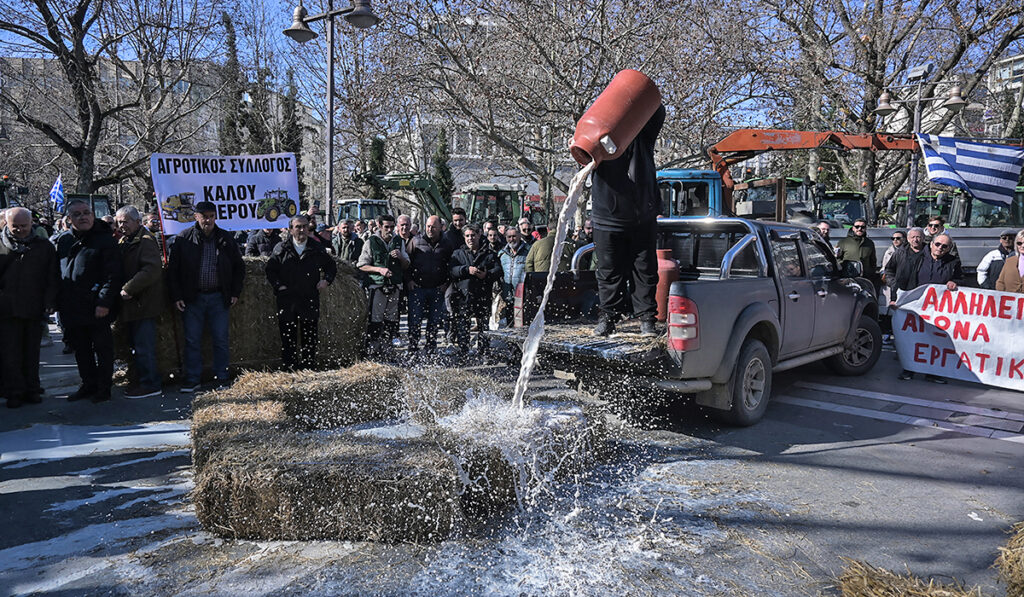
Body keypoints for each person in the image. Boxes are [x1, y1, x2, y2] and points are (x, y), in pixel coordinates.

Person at [590, 103, 666, 337]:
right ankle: (609, 318)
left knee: (644, 269)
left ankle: (646, 320)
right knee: (608, 271)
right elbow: (582, 147)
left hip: (640, 215)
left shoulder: (642, 135)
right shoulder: (599, 138)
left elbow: (657, 110)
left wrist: (632, 98)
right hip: (608, 217)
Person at [166, 201, 245, 392]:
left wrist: (235, 292)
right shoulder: (184, 238)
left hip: (219, 297)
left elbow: (239, 267)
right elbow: (173, 271)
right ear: (196, 217)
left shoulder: (225, 238)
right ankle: (193, 378)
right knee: (192, 339)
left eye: (211, 216)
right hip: (193, 298)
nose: (208, 220)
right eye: (204, 216)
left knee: (220, 339)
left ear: (215, 217)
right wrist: (177, 295)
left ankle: (221, 377)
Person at [57, 199, 121, 403]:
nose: (83, 217)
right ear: (69, 219)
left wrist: (104, 302)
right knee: (81, 350)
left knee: (102, 349)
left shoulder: (105, 240)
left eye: (87, 212)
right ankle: (88, 384)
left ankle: (104, 388)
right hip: (72, 306)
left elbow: (113, 275)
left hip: (97, 307)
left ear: (93, 216)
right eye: (77, 214)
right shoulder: (64, 240)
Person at [0, 207, 58, 408]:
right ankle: (14, 391)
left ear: (32, 223)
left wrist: (50, 302)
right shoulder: (0, 245)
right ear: (6, 224)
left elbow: (52, 276)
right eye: (15, 226)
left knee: (32, 352)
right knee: (10, 353)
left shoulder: (44, 247)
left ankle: (32, 389)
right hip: (6, 310)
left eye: (24, 226)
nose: (20, 230)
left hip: (34, 307)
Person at [265, 215, 337, 370]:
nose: (302, 230)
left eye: (305, 226)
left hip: (309, 298)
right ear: (291, 230)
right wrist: (278, 286)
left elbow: (331, 266)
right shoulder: (282, 248)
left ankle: (308, 368)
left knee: (309, 336)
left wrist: (326, 280)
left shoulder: (316, 248)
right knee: (288, 336)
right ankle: (289, 368)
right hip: (287, 299)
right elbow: (270, 270)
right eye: (298, 227)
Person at [892, 232, 962, 383]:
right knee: (913, 339)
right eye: (937, 244)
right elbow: (901, 279)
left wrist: (954, 281)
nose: (940, 248)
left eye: (945, 246)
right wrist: (895, 299)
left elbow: (959, 278)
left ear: (949, 248)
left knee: (935, 340)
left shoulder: (953, 262)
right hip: (916, 306)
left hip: (939, 309)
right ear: (931, 244)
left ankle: (933, 372)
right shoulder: (916, 258)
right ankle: (909, 369)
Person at [115, 206, 165, 399]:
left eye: (125, 221)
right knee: (135, 345)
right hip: (132, 304)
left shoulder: (145, 241)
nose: (122, 225)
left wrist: (129, 287)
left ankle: (150, 383)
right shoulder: (125, 240)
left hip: (142, 303)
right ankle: (140, 379)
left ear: (137, 221)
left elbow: (151, 270)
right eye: (119, 222)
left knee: (144, 346)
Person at [357, 214, 409, 356]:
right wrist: (379, 269)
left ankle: (387, 349)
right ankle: (373, 348)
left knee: (391, 319)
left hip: (395, 285)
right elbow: (361, 265)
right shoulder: (371, 241)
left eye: (392, 227)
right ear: (379, 226)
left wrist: (401, 257)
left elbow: (406, 265)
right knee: (375, 318)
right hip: (377, 285)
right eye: (386, 227)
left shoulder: (399, 241)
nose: (389, 230)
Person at [449, 224, 501, 355]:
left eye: (473, 235)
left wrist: (487, 274)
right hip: (463, 294)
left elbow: (498, 270)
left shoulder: (489, 253)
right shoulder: (458, 253)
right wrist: (466, 269)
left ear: (479, 235)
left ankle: (484, 351)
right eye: (467, 236)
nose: (470, 238)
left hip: (482, 294)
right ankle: (463, 350)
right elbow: (451, 270)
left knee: (483, 325)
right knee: (462, 325)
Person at [407, 215, 452, 354]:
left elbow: (452, 264)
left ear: (440, 227)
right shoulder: (415, 241)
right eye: (428, 226)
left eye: (433, 226)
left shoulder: (447, 243)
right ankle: (413, 347)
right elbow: (407, 262)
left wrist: (447, 283)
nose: (430, 229)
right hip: (418, 288)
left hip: (437, 288)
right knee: (415, 320)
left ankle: (431, 347)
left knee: (434, 321)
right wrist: (409, 280)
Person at [498, 227, 530, 325]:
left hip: (523, 294)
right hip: (508, 294)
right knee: (509, 322)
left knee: (522, 323)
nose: (512, 239)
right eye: (509, 237)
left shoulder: (528, 251)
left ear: (520, 236)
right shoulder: (502, 254)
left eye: (514, 236)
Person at [995, 229, 1024, 293]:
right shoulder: (1009, 261)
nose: (1023, 246)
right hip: (1010, 301)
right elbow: (1000, 282)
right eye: (1019, 243)